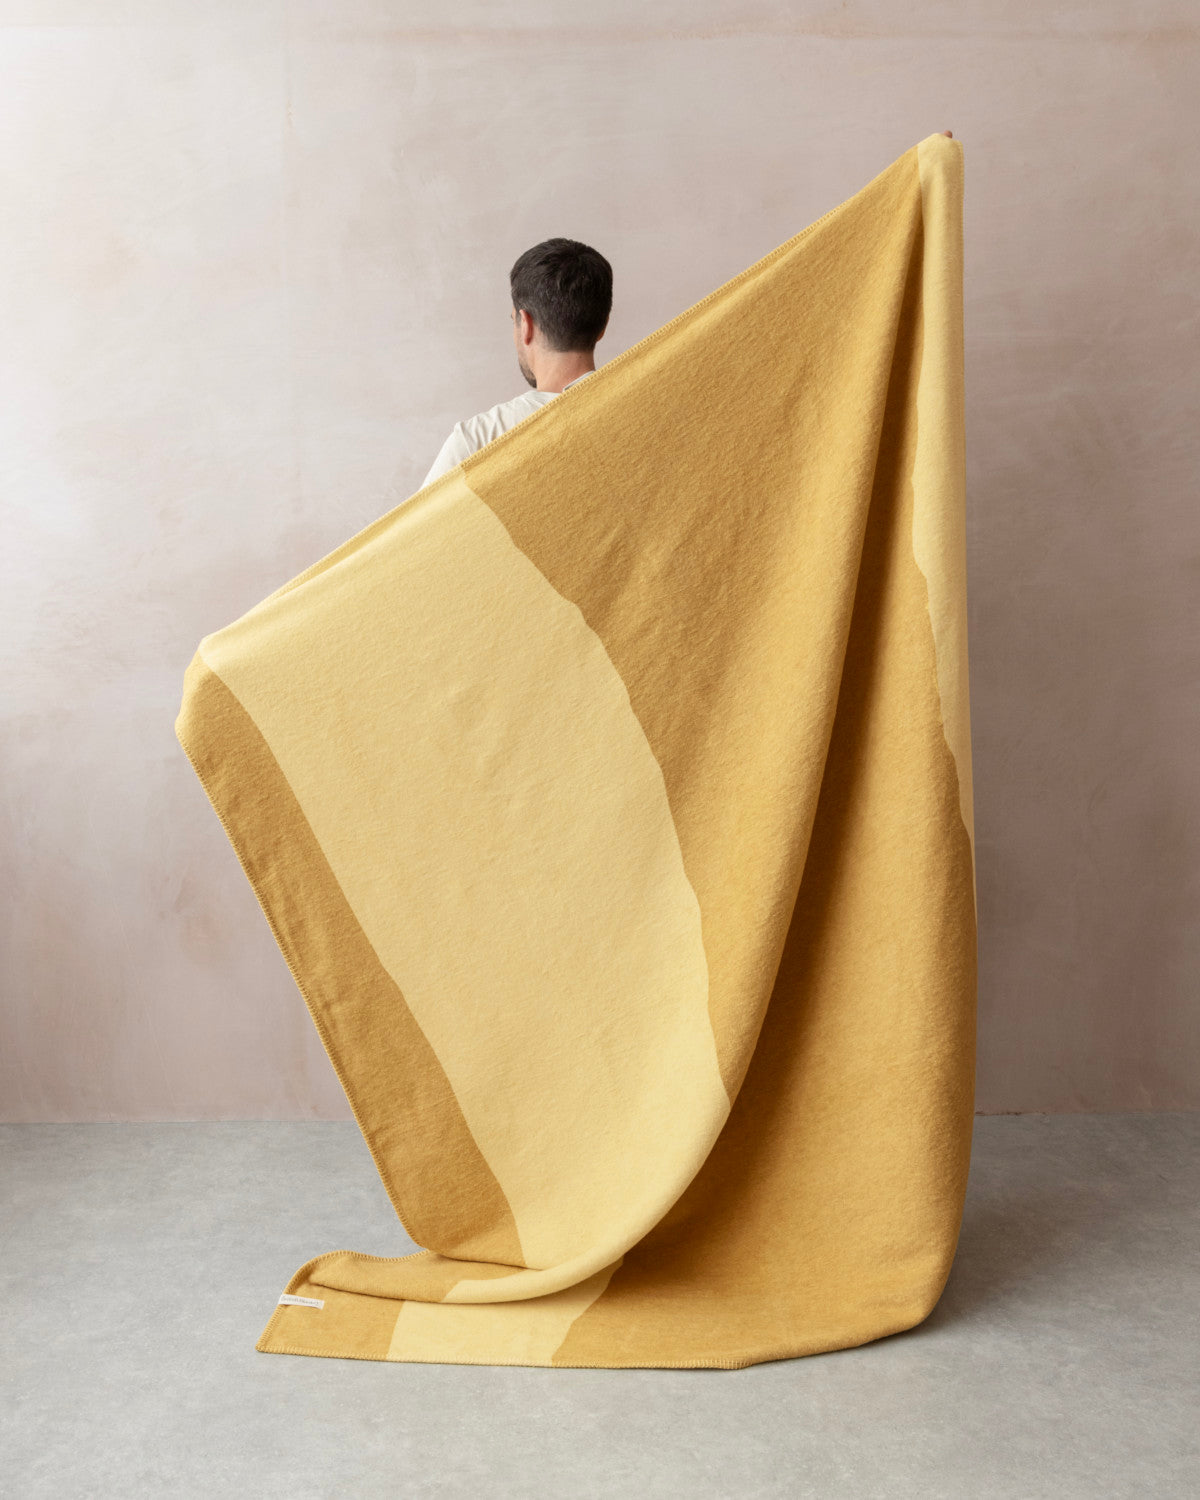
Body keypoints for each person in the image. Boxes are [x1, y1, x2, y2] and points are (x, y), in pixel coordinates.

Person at [419, 236, 613, 490]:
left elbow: (421, 530)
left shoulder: (479, 440)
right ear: (603, 326)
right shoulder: (650, 417)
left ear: (526, 325)